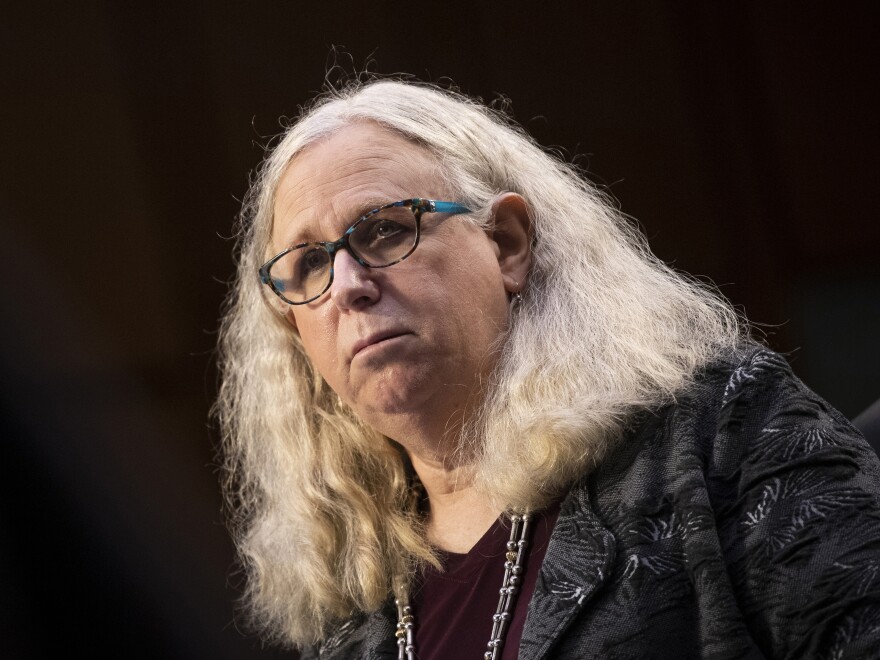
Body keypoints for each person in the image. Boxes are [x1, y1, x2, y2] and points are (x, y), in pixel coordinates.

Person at [215, 79, 880, 659]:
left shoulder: (716, 432)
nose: (347, 285)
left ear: (506, 244)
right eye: (307, 265)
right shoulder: (348, 615)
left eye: (386, 229)